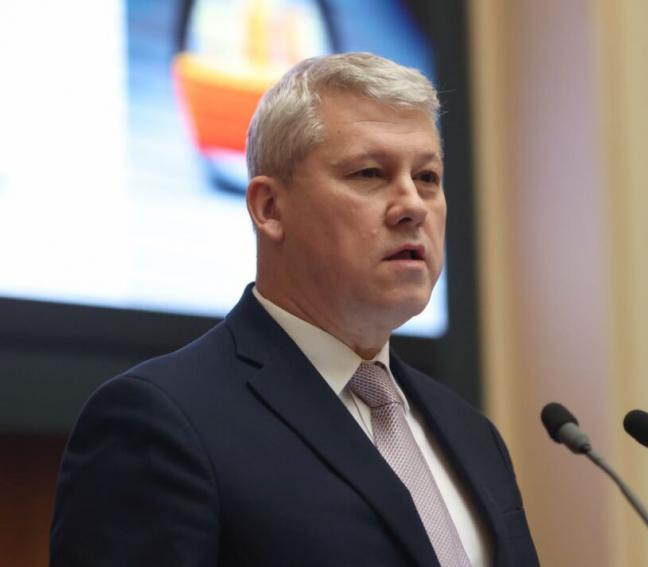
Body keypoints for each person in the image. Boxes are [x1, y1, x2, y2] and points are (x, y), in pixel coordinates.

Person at [50, 52, 538, 567]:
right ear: (269, 208)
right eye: (370, 173)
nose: (413, 205)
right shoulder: (160, 422)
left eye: (428, 178)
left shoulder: (471, 434)